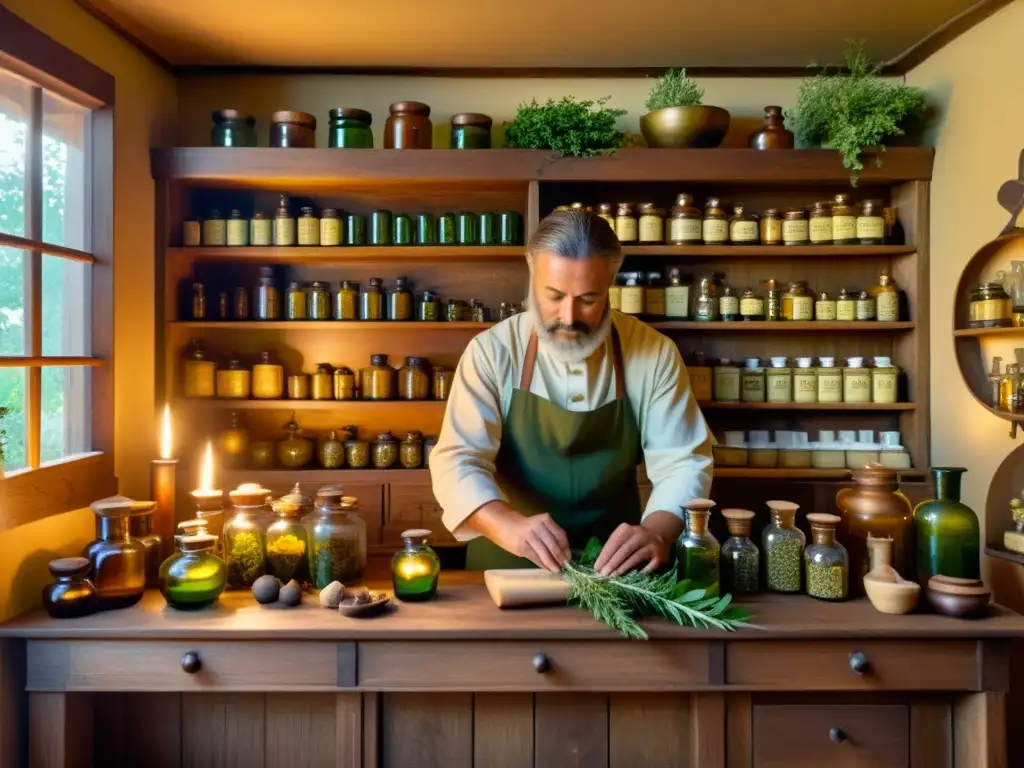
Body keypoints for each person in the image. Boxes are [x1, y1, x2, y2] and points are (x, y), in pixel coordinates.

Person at [430, 210, 713, 576]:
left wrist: (657, 531)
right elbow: (457, 460)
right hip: (509, 565)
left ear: (611, 281)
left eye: (588, 299)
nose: (568, 315)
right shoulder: (492, 352)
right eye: (554, 295)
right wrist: (507, 525)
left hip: (622, 570)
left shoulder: (654, 353)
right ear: (532, 271)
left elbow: (684, 463)